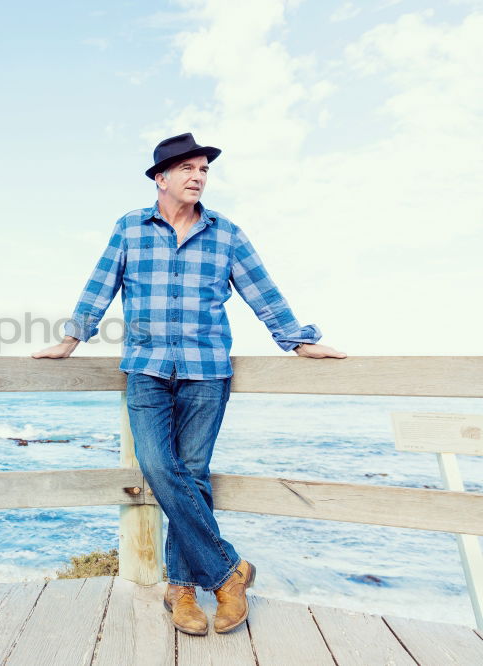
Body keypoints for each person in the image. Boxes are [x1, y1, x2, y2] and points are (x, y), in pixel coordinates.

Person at [32, 132, 346, 636]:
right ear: (161, 177)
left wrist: (297, 340)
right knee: (159, 466)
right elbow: (100, 284)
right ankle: (229, 572)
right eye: (187, 169)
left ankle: (180, 590)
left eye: (204, 169)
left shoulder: (227, 234)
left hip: (206, 371)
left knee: (193, 475)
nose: (198, 176)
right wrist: (72, 337)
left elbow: (261, 290)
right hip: (147, 369)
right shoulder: (131, 228)